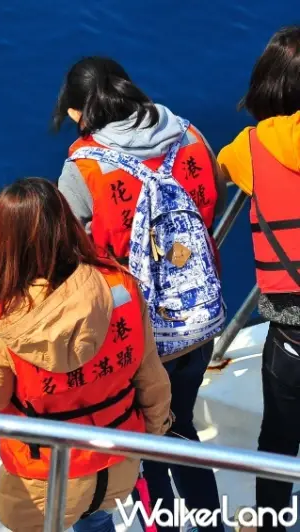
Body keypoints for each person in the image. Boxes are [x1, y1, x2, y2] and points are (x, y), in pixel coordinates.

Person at [0, 177, 172, 532]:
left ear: (0, 242)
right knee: (98, 522)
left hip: (41, 484)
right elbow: (151, 378)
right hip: (117, 461)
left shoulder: (2, 319)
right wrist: (148, 442)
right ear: (68, 225)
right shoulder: (121, 288)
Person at [52, 56, 226, 532]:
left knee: (146, 441)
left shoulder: (84, 165)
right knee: (180, 425)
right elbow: (211, 200)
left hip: (140, 335)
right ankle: (211, 526)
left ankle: (164, 526)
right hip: (201, 318)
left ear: (75, 113)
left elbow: (69, 252)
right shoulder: (190, 135)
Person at [217, 25, 300, 532]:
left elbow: (213, 171)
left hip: (293, 337)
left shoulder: (250, 148)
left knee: (279, 437)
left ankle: (270, 522)